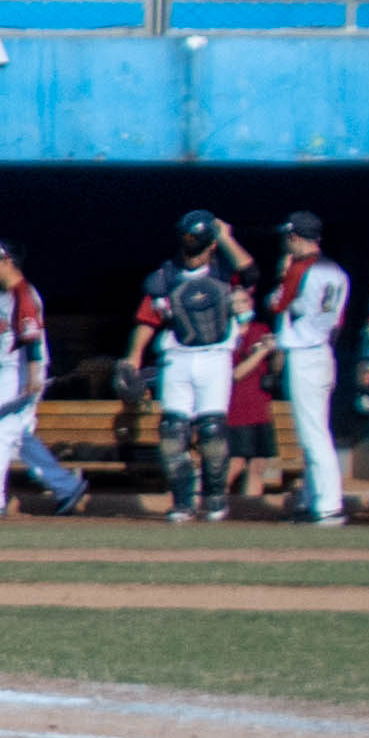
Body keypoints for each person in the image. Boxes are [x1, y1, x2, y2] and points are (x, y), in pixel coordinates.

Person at [137, 211, 256, 525]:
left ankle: (215, 499)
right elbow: (148, 319)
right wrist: (132, 357)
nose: (192, 247)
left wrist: (226, 237)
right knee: (172, 432)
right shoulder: (166, 274)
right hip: (178, 356)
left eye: (199, 241)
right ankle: (182, 501)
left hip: (215, 355)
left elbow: (251, 273)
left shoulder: (224, 270)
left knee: (212, 431)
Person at [0, 238, 82, 516]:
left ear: (6, 261)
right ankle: (66, 486)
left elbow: (31, 338)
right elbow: (0, 343)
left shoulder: (23, 293)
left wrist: (32, 375)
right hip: (5, 369)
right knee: (17, 436)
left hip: (19, 369)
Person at [272, 213, 354, 525]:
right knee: (313, 432)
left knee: (314, 434)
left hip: (305, 353)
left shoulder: (300, 268)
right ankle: (312, 499)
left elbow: (278, 304)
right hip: (322, 350)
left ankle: (329, 505)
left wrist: (282, 277)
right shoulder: (336, 271)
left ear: (295, 237)